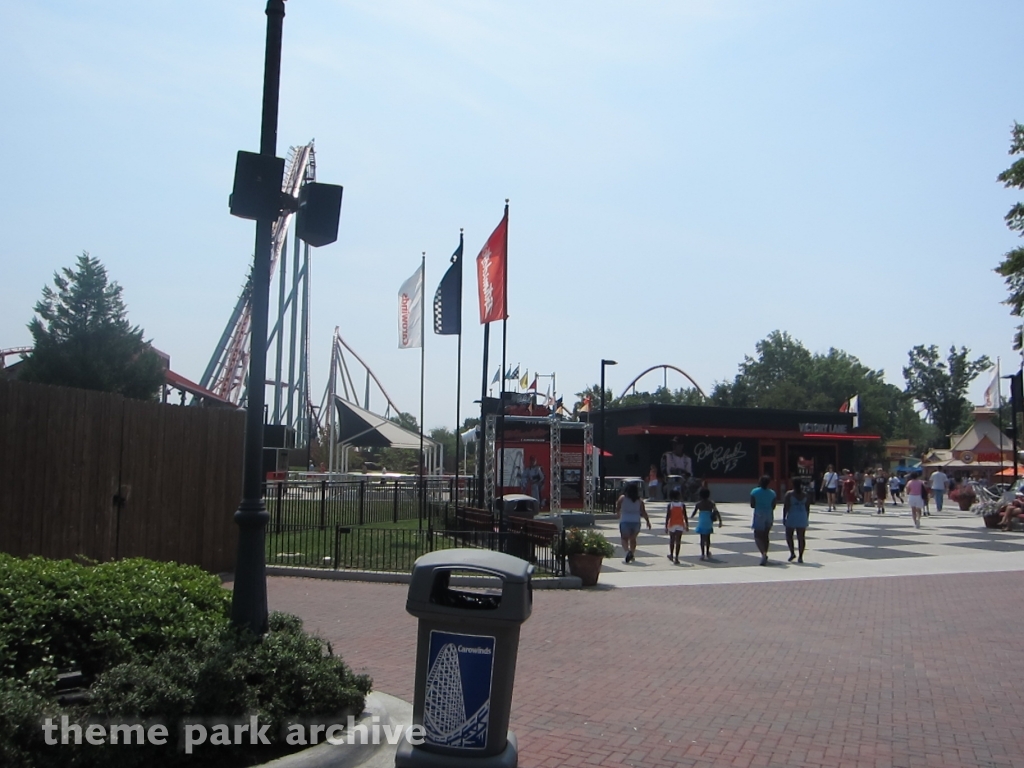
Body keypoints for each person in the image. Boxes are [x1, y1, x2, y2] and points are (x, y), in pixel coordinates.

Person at [615, 482, 651, 563]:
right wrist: (648, 521)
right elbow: (643, 512)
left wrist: (618, 514)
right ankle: (632, 553)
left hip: (625, 521)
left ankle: (628, 552)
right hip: (636, 521)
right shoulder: (640, 501)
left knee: (624, 539)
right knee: (633, 539)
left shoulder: (622, 498)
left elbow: (617, 508)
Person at [750, 475, 777, 566]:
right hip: (769, 513)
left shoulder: (754, 492)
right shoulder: (772, 493)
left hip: (759, 513)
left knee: (757, 535)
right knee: (766, 535)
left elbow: (752, 505)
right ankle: (765, 551)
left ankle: (763, 553)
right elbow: (773, 506)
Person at [783, 478, 810, 563]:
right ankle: (801, 556)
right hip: (802, 515)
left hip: (792, 515)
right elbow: (807, 507)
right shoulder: (805, 495)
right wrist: (806, 517)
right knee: (801, 537)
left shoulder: (789, 494)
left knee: (789, 535)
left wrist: (784, 517)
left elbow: (786, 507)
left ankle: (792, 552)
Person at [691, 487, 722, 561]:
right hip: (708, 521)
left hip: (702, 520)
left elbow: (694, 512)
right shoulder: (711, 503)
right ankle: (707, 551)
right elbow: (716, 511)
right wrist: (720, 521)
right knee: (708, 538)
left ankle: (702, 554)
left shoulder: (698, 504)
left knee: (702, 538)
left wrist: (691, 516)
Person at [664, 489, 689, 564]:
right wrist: (687, 524)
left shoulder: (670, 505)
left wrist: (666, 525)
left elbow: (668, 516)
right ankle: (677, 557)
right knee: (678, 541)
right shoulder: (682, 505)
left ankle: (671, 554)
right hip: (680, 524)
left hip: (672, 524)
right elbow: (685, 516)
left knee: (672, 540)